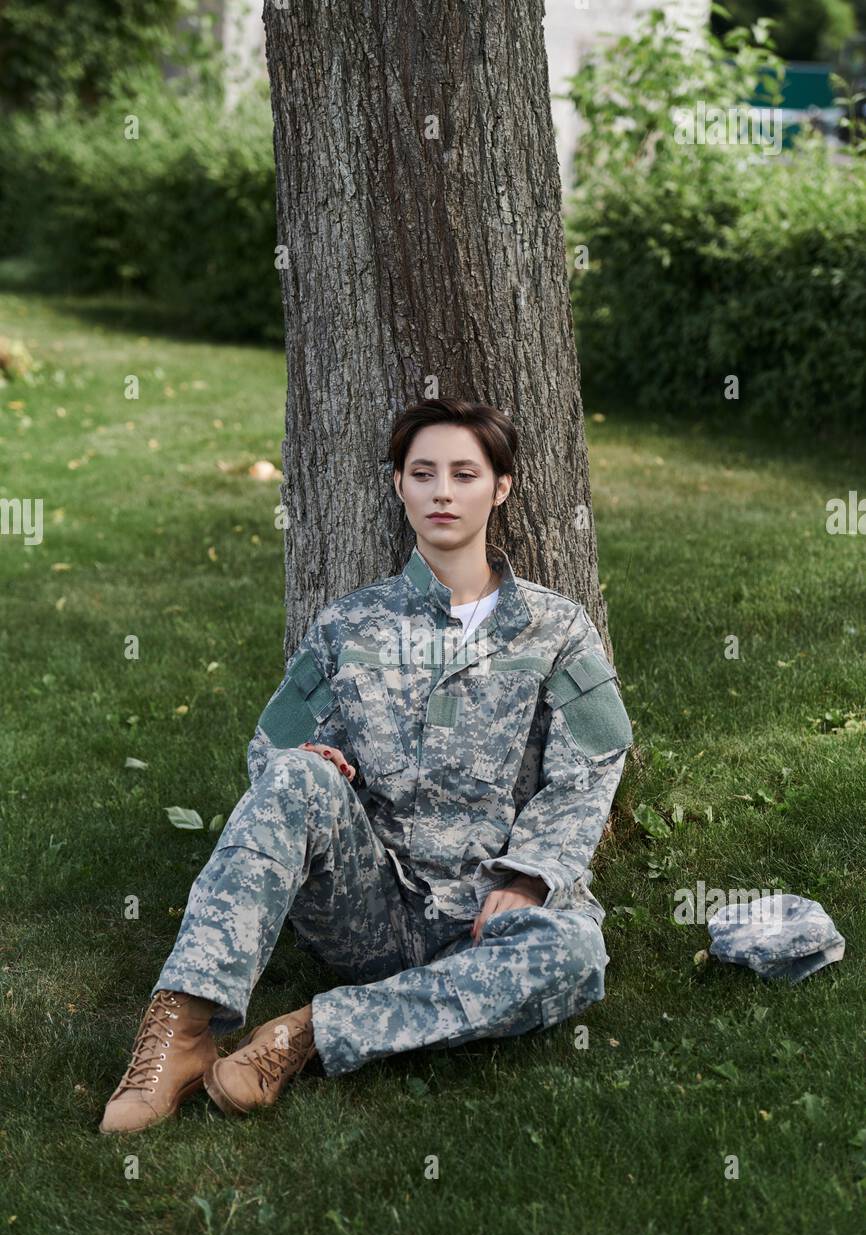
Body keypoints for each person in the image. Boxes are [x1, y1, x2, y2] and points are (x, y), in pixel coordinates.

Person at [99, 398, 633, 1134]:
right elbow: (273, 743)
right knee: (293, 777)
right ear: (398, 487)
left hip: (488, 914)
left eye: (464, 473)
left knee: (575, 951)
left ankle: (307, 1032)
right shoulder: (350, 624)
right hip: (371, 905)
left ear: (500, 488)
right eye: (423, 473)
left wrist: (531, 873)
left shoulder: (556, 627)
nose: (443, 491)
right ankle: (182, 1030)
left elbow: (595, 758)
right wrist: (303, 761)